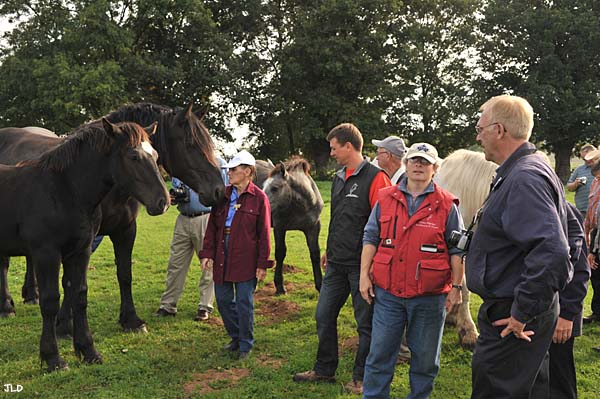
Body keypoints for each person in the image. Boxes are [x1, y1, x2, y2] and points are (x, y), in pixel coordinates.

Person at [467, 95, 571, 399]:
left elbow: (552, 252)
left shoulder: (524, 177)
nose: (477, 135)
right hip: (525, 306)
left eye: (480, 127)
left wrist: (521, 312)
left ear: (499, 130)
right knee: (527, 389)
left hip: (513, 315)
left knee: (497, 390)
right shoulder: (528, 169)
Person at [359, 142, 465, 399]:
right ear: (405, 164)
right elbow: (370, 237)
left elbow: (457, 250)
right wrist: (364, 275)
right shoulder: (385, 198)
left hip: (429, 297)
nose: (419, 165)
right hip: (388, 295)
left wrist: (457, 288)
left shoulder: (447, 205)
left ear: (435, 168)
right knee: (379, 356)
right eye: (414, 160)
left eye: (425, 162)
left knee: (426, 362)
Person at [293, 123, 391, 395]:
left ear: (349, 146)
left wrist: (370, 266)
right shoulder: (339, 177)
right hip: (336, 263)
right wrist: (328, 249)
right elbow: (338, 218)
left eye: (334, 147)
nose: (332, 152)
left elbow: (383, 225)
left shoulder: (376, 178)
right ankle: (324, 369)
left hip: (362, 267)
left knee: (365, 324)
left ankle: (362, 378)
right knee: (323, 315)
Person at [199, 150, 273, 360]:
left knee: (243, 301)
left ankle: (245, 344)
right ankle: (236, 337)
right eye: (229, 169)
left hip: (246, 254)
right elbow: (212, 227)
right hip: (222, 251)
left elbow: (264, 234)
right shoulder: (222, 195)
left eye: (233, 169)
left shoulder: (259, 198)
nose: (229, 173)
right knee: (222, 300)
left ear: (247, 171)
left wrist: (262, 264)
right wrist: (207, 253)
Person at [154, 159, 228, 321]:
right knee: (175, 263)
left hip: (206, 217)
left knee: (208, 264)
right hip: (183, 218)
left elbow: (225, 193)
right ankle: (168, 305)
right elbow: (177, 189)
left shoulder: (217, 163)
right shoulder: (179, 166)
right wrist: (173, 197)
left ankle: (204, 306)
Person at [549, 202, 590, 399]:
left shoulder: (564, 211)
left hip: (560, 315)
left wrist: (566, 315)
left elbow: (580, 270)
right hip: (538, 314)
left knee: (559, 380)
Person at [583, 154, 600, 324]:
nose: (598, 180)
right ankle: (597, 312)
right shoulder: (595, 183)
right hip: (595, 231)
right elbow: (591, 208)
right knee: (596, 275)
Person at [566, 144, 596, 219]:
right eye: (583, 159)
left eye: (587, 158)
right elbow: (569, 187)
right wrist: (575, 184)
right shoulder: (579, 170)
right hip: (582, 210)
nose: (586, 160)